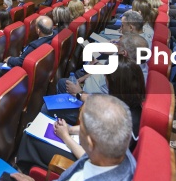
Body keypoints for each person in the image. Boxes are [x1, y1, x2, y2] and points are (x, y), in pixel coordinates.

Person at [16, 56, 145, 174]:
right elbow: (98, 126)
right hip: (89, 146)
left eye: (107, 80)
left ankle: (22, 173)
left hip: (88, 162)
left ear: (117, 85)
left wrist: (66, 136)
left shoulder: (124, 123)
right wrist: (70, 129)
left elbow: (95, 161)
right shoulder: (129, 105)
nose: (106, 83)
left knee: (30, 137)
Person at [11, 94, 136, 181]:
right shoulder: (118, 149)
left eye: (82, 126)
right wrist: (69, 131)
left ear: (91, 143)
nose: (78, 127)